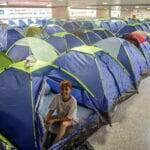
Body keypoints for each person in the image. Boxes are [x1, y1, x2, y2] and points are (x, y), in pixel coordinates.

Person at [43, 80, 78, 149]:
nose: (64, 91)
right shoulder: (57, 97)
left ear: (71, 90)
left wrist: (54, 120)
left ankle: (54, 145)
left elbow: (69, 118)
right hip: (61, 116)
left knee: (64, 124)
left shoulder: (73, 101)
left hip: (71, 119)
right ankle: (44, 139)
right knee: (47, 119)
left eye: (66, 89)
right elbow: (51, 110)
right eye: (62, 89)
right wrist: (47, 119)